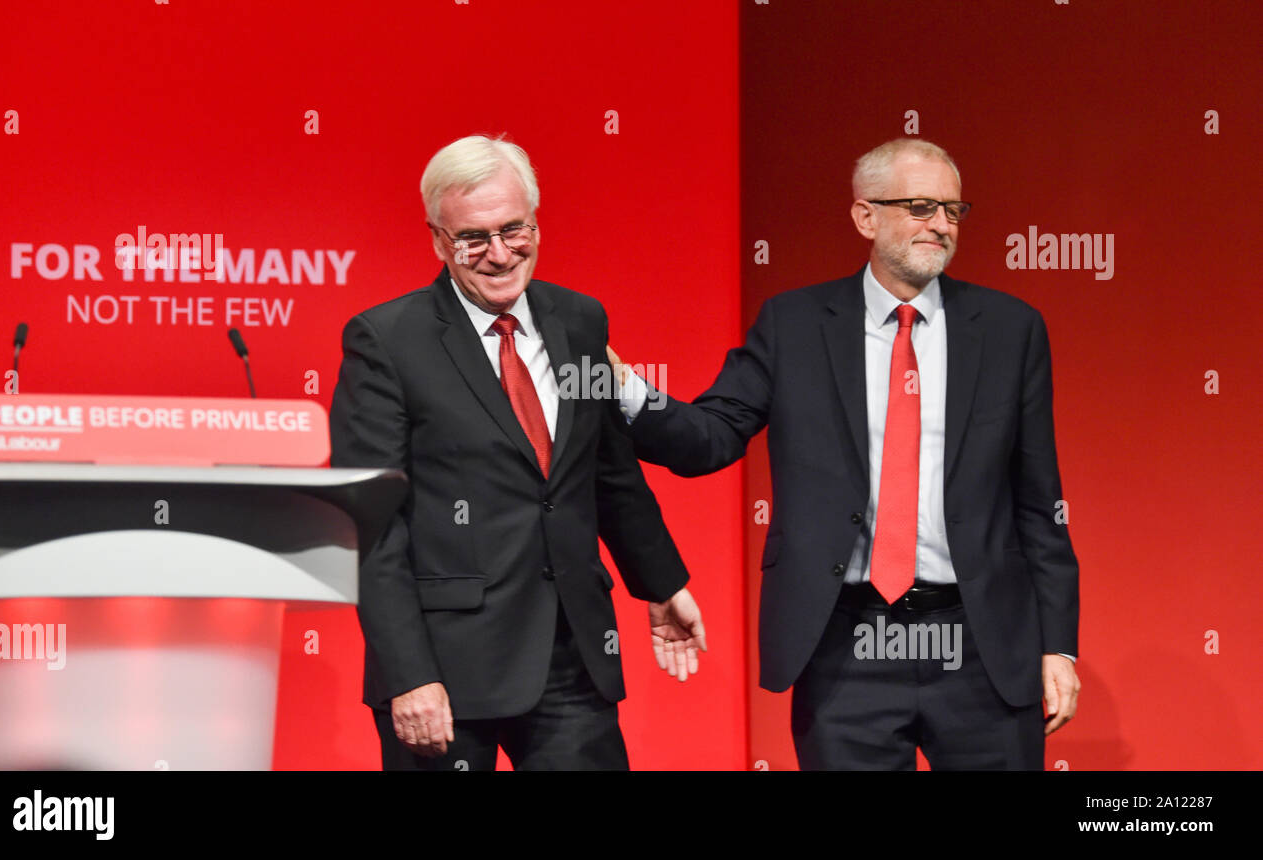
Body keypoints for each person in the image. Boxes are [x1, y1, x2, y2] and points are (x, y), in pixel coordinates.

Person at [610, 138, 1079, 770]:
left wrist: (1059, 646)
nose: (940, 225)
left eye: (952, 210)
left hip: (981, 647)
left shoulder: (1010, 328)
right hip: (846, 647)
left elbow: (1038, 500)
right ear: (865, 217)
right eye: (919, 207)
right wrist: (624, 391)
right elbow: (710, 438)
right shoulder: (793, 324)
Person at [330, 134, 706, 771]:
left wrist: (662, 583)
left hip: (571, 657)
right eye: (474, 237)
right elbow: (371, 525)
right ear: (438, 241)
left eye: (514, 229)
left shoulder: (581, 321)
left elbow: (607, 471)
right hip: (444, 671)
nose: (500, 254)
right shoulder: (387, 341)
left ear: (536, 222)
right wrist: (408, 674)